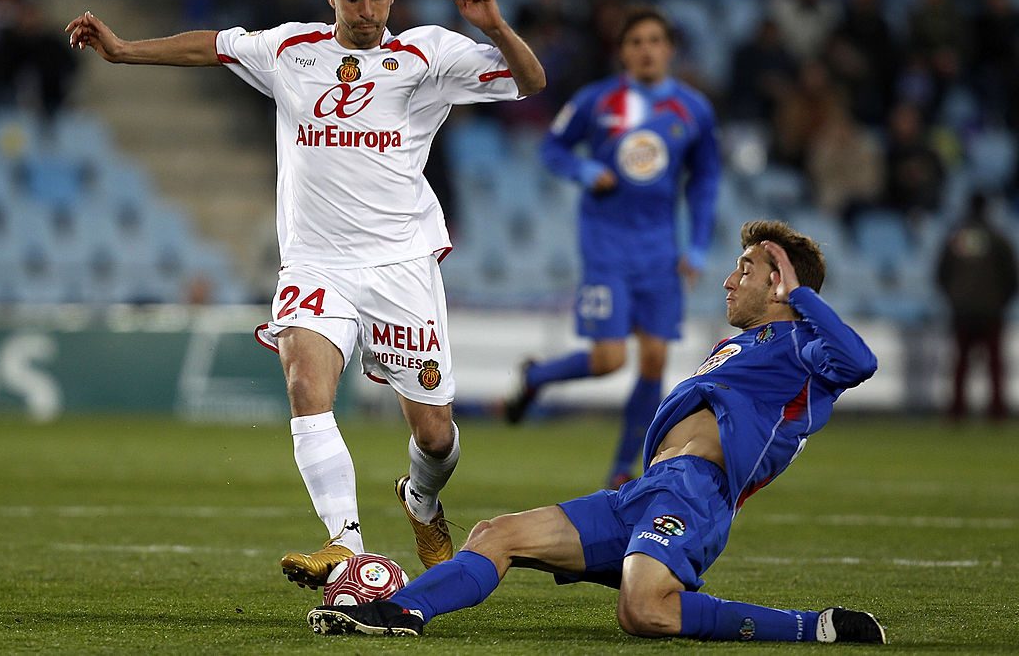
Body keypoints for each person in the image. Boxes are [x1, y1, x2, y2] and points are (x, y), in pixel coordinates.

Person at [65, 0, 545, 585]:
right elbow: (214, 46)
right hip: (316, 262)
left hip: (400, 265)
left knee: (435, 435)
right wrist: (125, 50)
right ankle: (343, 541)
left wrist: (495, 28)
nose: (366, 9)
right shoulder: (292, 51)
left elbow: (530, 81)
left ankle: (421, 499)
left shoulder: (428, 55)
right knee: (303, 383)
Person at [306, 220, 887, 645]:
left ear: (782, 285)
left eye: (747, 269)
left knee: (644, 612)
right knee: (496, 533)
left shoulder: (806, 354)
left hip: (694, 495)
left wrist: (803, 295)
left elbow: (860, 362)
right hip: (644, 492)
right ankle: (397, 610)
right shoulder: (740, 344)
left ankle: (816, 628)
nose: (729, 281)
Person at [503, 6, 721, 490]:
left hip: (660, 251)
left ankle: (625, 470)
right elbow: (552, 148)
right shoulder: (597, 101)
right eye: (636, 42)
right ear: (623, 52)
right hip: (607, 247)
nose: (646, 50)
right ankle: (538, 377)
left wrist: (699, 248)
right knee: (609, 360)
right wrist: (582, 171)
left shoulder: (693, 110)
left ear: (670, 49)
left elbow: (705, 180)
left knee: (655, 361)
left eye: (655, 41)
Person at [936, 193, 1018, 421]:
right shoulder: (998, 239)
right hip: (992, 311)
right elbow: (1011, 277)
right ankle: (997, 412)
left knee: (961, 365)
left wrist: (955, 299)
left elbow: (941, 274)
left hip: (962, 310)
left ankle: (957, 411)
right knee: (995, 365)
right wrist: (1000, 302)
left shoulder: (956, 238)